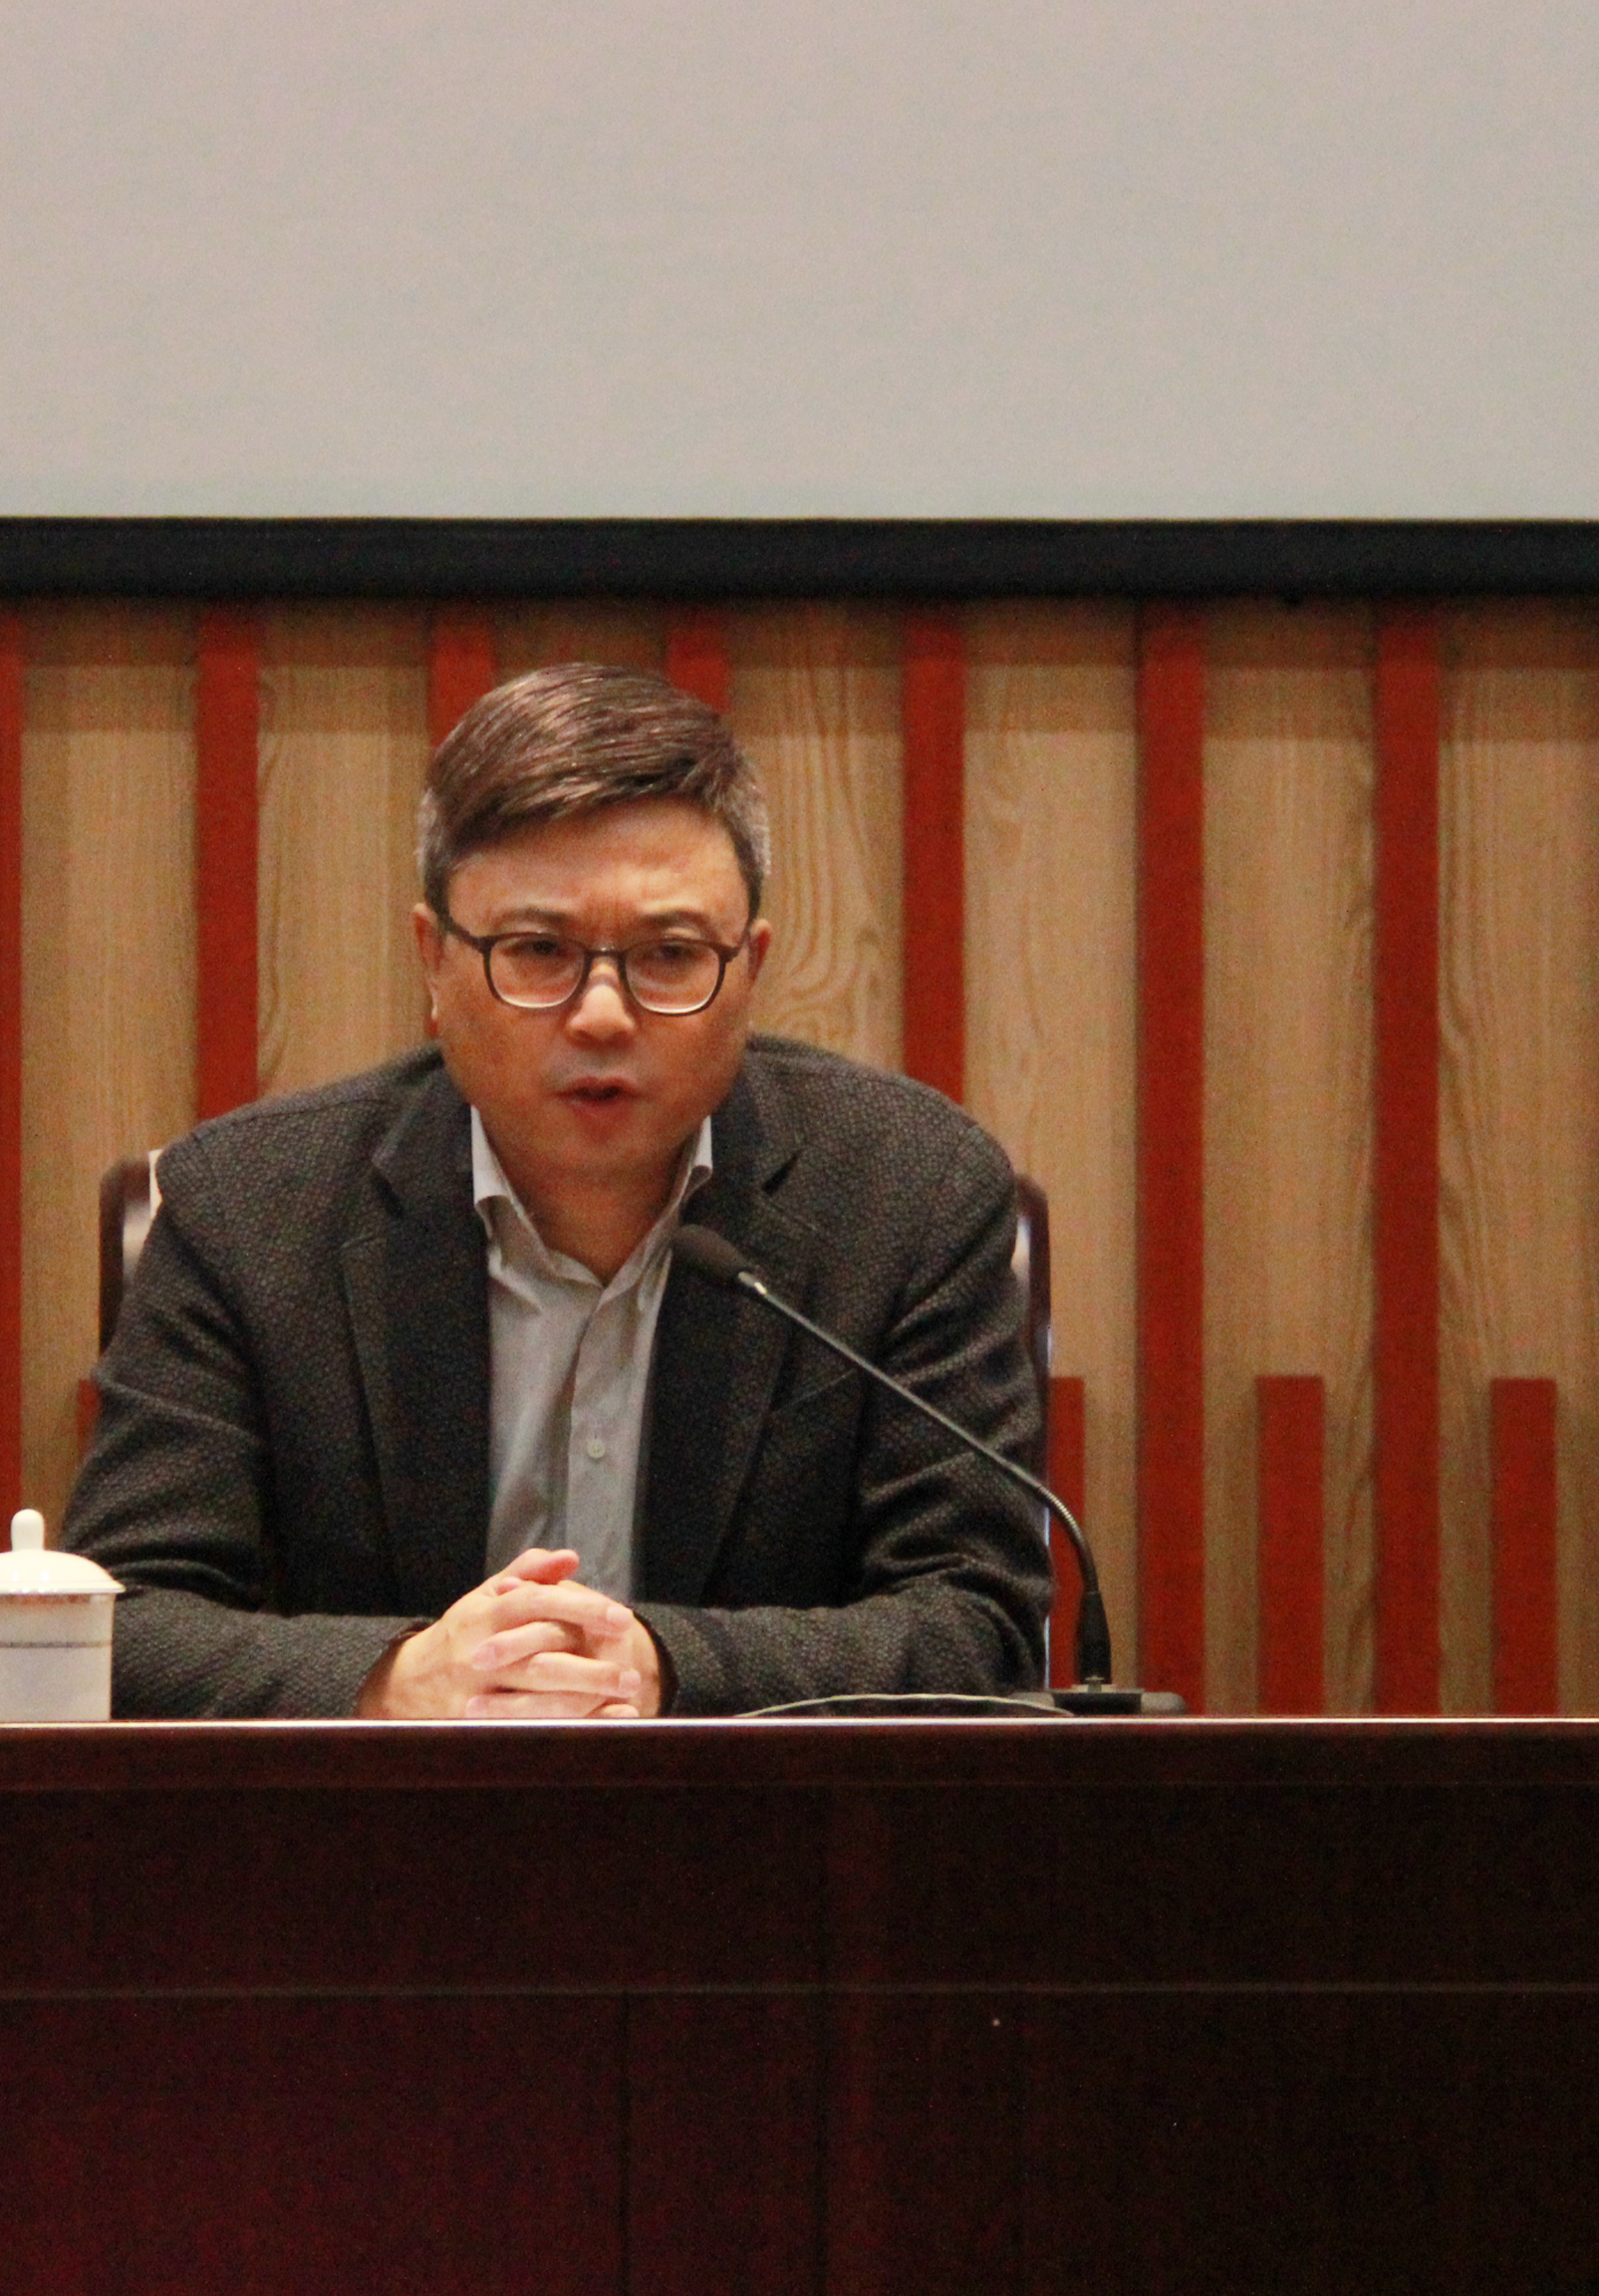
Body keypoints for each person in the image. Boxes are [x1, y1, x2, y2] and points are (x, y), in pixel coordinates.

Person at [63, 662, 1048, 1717]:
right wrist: (396, 1682)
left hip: (769, 1819)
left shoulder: (910, 1196)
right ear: (433, 960)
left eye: (670, 954)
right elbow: (121, 1625)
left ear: (750, 969)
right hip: (380, 1817)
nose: (602, 1015)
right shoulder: (249, 1210)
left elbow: (978, 1621)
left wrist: (665, 1670)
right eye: (537, 950)